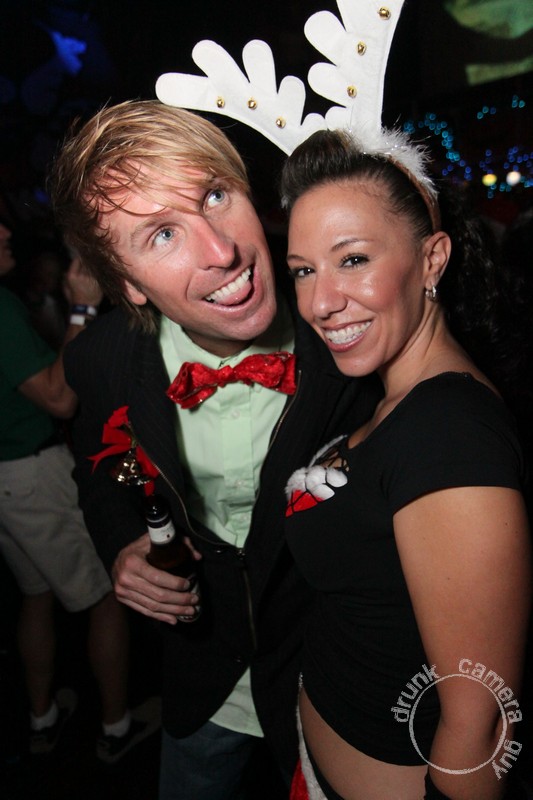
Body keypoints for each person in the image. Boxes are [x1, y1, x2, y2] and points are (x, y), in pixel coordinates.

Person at [47, 99, 376, 800]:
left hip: (329, 673)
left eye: (215, 196)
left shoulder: (350, 331)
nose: (222, 251)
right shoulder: (102, 364)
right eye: (162, 234)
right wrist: (122, 543)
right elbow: (100, 470)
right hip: (204, 682)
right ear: (128, 284)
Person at [280, 129, 532, 800]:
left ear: (431, 259)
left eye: (352, 259)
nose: (320, 302)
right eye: (303, 270)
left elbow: (482, 721)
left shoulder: (450, 436)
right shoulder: (392, 390)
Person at [0, 220, 160, 764]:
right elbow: (59, 398)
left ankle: (42, 716)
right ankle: (115, 727)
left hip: (8, 479)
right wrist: (84, 309)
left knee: (37, 594)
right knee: (107, 594)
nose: (6, 230)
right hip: (32, 473)